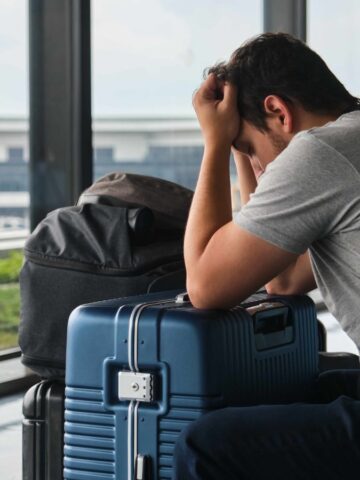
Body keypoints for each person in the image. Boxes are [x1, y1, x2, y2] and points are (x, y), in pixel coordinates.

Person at [174, 33, 360, 479]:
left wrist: (216, 144)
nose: (260, 169)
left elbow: (205, 285)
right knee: (307, 387)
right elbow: (283, 279)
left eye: (250, 149)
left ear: (279, 112)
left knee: (206, 446)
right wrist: (245, 147)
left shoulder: (321, 150)